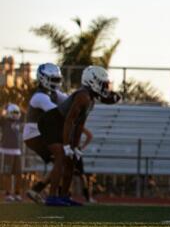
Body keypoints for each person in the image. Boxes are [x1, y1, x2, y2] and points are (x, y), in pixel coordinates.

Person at [37, 66, 120, 206]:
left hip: (61, 125)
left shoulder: (91, 99)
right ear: (92, 82)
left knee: (72, 160)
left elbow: (79, 125)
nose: (106, 87)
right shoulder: (83, 96)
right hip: (51, 123)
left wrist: (75, 146)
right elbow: (69, 120)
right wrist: (66, 145)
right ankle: (52, 197)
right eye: (103, 84)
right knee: (61, 157)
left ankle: (64, 197)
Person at [22, 63, 68, 202]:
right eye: (53, 80)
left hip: (41, 133)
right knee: (61, 156)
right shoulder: (39, 97)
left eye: (57, 80)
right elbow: (57, 112)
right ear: (43, 79)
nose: (56, 83)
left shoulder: (53, 93)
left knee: (62, 161)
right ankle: (53, 196)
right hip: (34, 134)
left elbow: (69, 100)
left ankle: (37, 189)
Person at [0, 104, 24, 201]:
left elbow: (24, 111)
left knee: (18, 173)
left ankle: (17, 194)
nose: (15, 115)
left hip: (17, 151)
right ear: (9, 112)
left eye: (16, 113)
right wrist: (5, 108)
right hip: (6, 151)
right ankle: (8, 194)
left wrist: (17, 107)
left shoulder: (19, 121)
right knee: (7, 173)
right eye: (13, 112)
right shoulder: (3, 121)